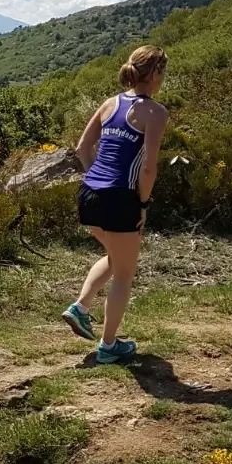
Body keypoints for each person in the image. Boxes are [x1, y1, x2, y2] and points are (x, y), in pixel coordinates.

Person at [62, 46, 169, 364]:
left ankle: (80, 308)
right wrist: (143, 204)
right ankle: (109, 346)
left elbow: (82, 148)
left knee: (115, 256)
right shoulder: (156, 113)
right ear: (155, 74)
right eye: (163, 72)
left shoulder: (110, 103)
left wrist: (97, 178)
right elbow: (149, 168)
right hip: (120, 197)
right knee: (125, 273)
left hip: (89, 193)